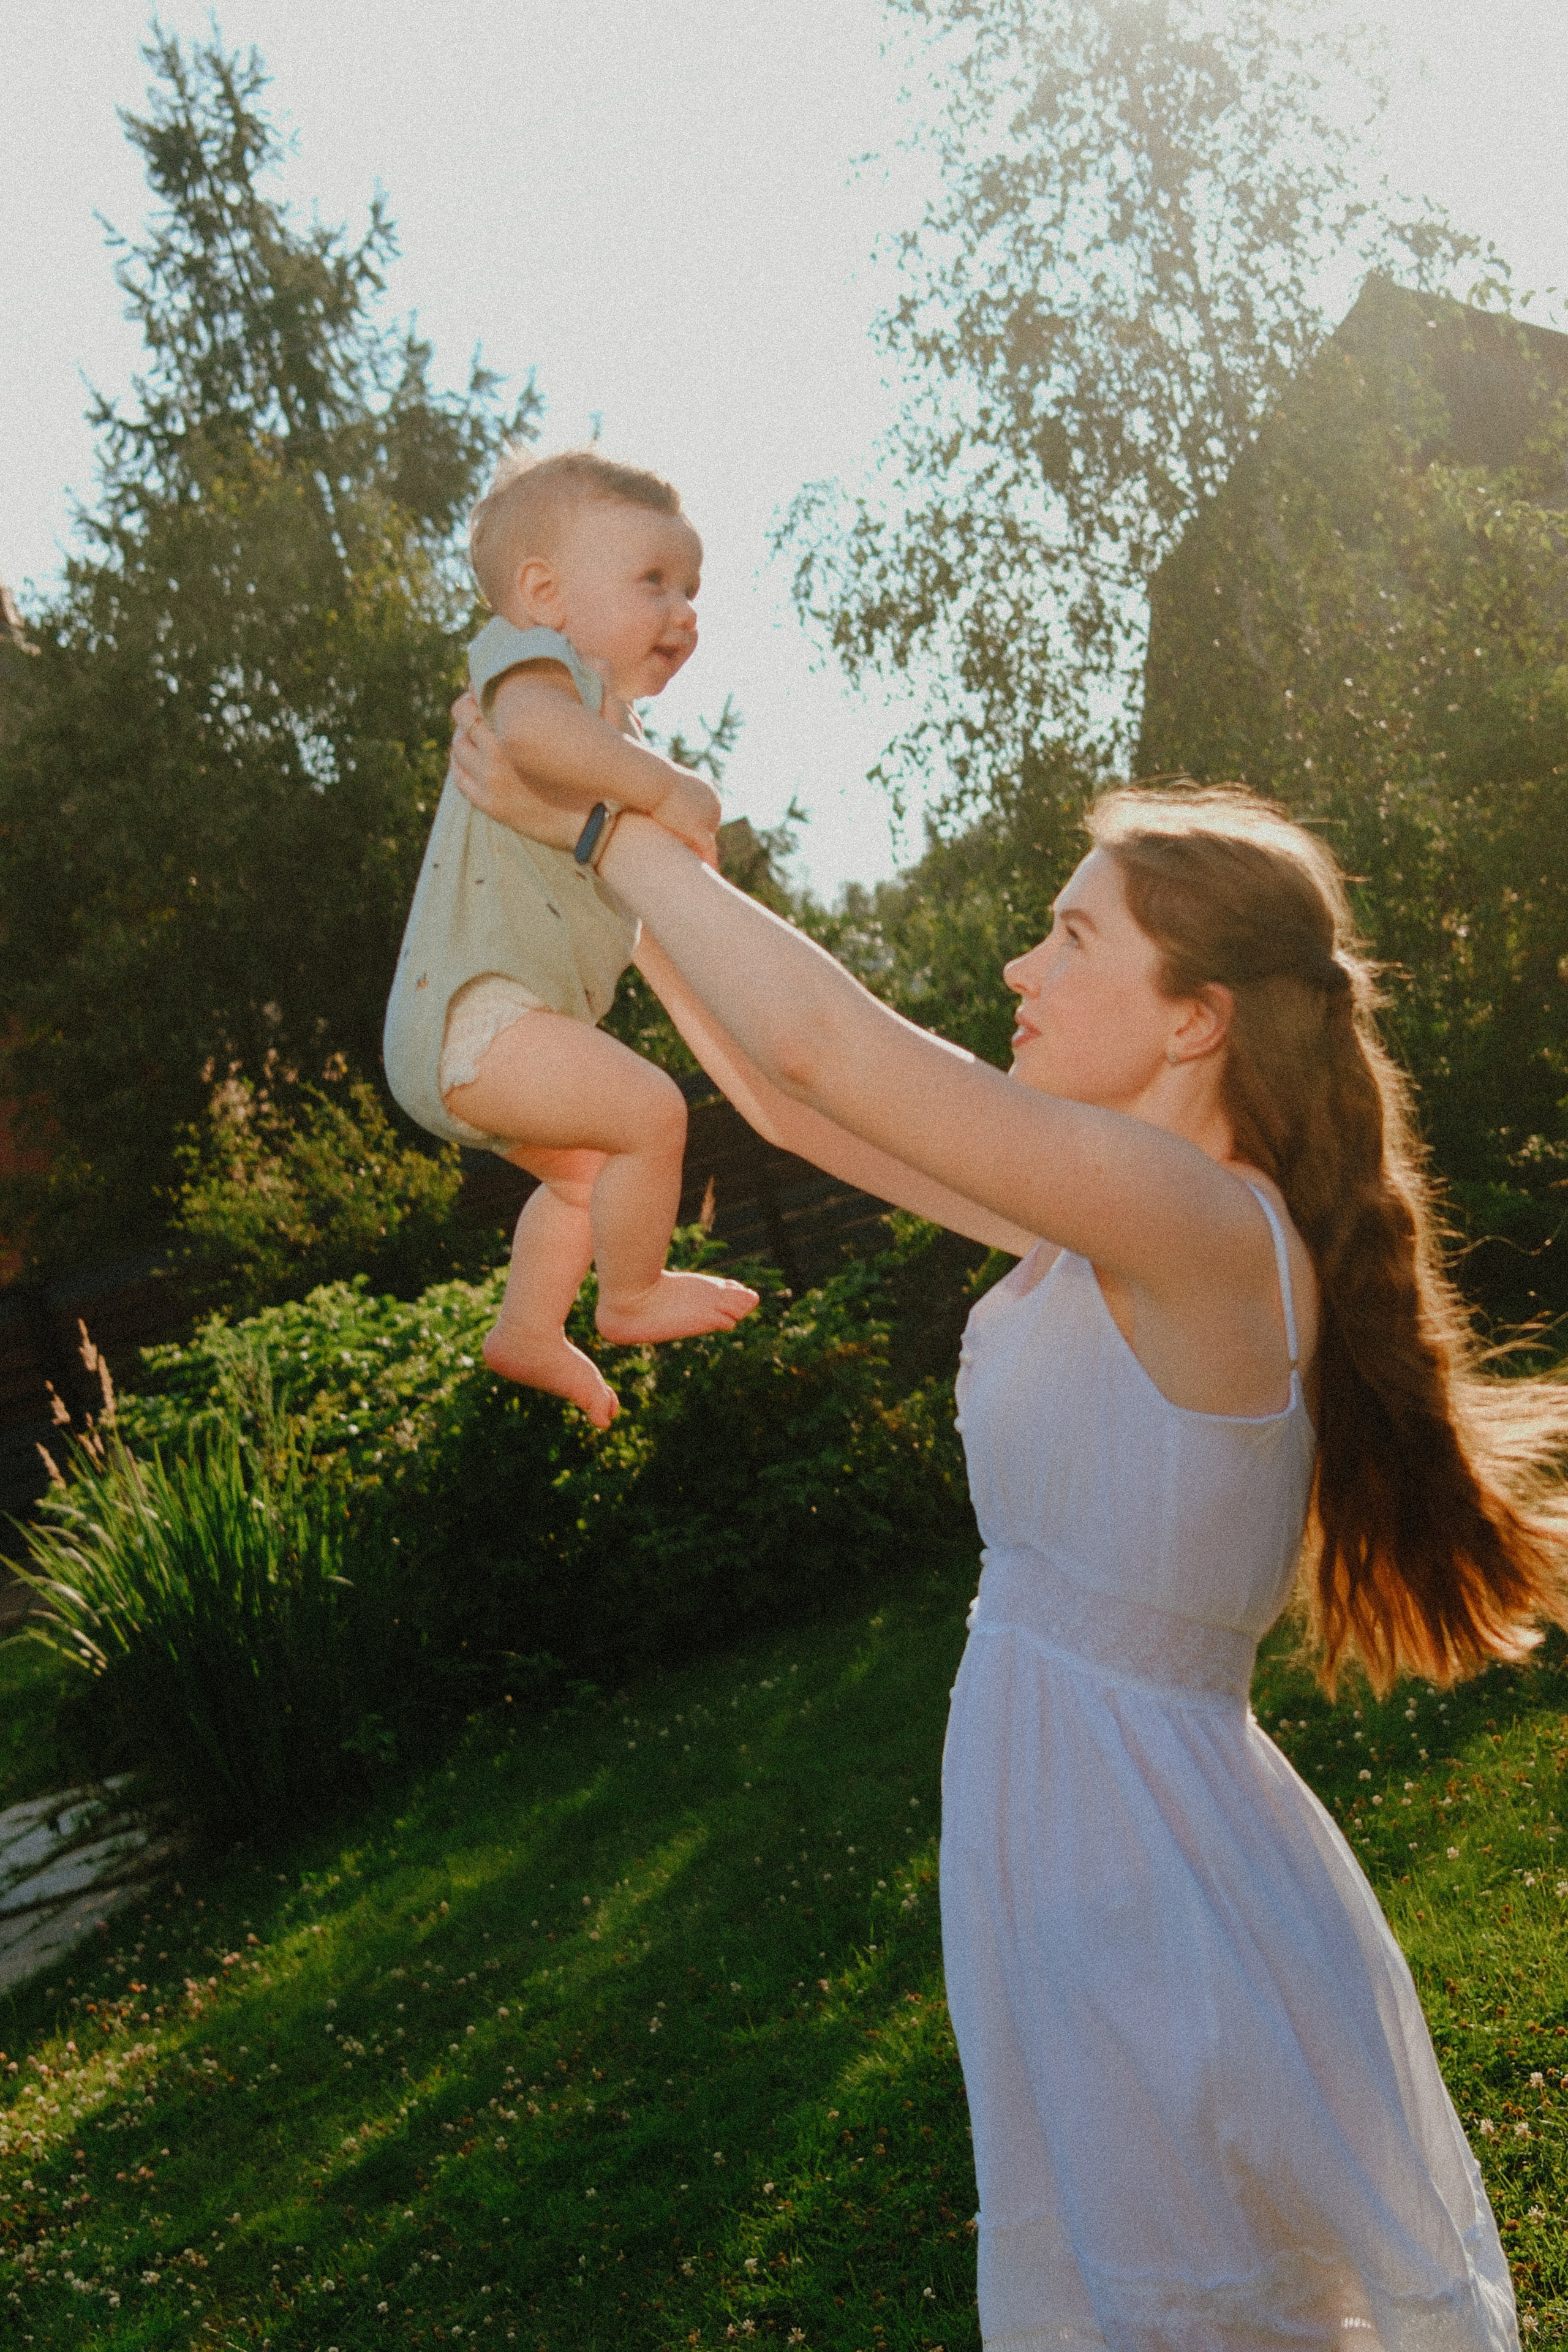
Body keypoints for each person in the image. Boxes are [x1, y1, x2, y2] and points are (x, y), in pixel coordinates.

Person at [447, 715, 1568, 2350]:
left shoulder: (1194, 1223)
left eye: (1071, 937)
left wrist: (603, 824)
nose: (1022, 965)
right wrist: (618, 873)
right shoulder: (1117, 1211)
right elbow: (796, 1099)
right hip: (1083, 1848)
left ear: (1195, 1021)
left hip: (1146, 1878)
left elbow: (838, 1056)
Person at [382, 447, 761, 1427]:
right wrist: (668, 789)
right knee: (650, 1113)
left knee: (593, 1180)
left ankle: (529, 1329)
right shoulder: (529, 665)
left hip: (490, 1031)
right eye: (653, 581)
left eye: (692, 589)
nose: (683, 612)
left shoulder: (606, 729)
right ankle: (628, 1298)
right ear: (543, 593)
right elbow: (537, 742)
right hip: (480, 1012)